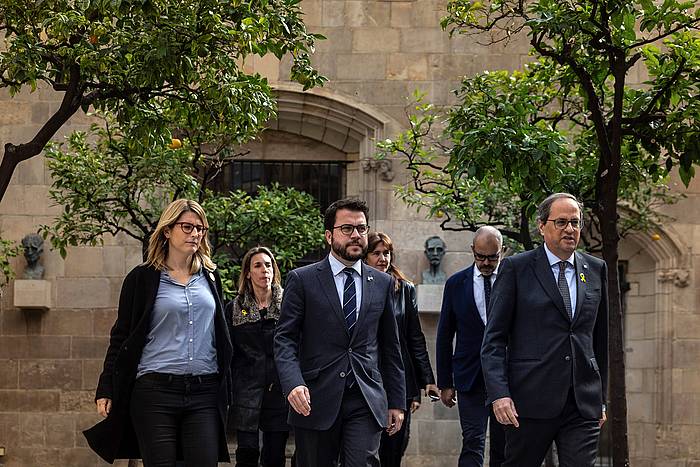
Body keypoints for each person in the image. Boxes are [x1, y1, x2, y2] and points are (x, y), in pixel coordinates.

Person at [83, 199, 233, 466]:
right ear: (167, 230)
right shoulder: (141, 278)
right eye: (187, 227)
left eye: (200, 229)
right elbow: (121, 337)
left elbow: (221, 335)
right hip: (155, 393)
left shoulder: (211, 277)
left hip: (204, 391)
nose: (195, 234)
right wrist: (106, 385)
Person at [274, 198, 406, 467]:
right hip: (315, 398)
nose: (356, 235)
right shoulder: (303, 279)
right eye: (347, 229)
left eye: (361, 228)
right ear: (328, 235)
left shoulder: (381, 282)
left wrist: (397, 401)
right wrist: (293, 383)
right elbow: (284, 339)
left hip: (365, 397)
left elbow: (391, 347)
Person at [481, 193, 609, 466]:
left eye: (575, 222)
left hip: (582, 402)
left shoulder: (596, 269)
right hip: (528, 401)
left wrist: (601, 398)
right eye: (561, 222)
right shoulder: (517, 268)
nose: (570, 229)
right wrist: (499, 394)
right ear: (541, 226)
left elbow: (600, 340)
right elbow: (493, 340)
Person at [365, 231, 438, 467]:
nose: (382, 258)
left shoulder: (404, 289)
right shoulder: (356, 286)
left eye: (386, 253)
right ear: (365, 257)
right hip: (366, 377)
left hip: (398, 380)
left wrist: (424, 381)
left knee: (394, 448)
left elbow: (414, 338)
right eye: (376, 253)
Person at [435, 226, 506, 467]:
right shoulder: (456, 283)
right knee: (472, 442)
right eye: (480, 256)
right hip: (469, 378)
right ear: (472, 251)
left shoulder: (512, 280)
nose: (486, 262)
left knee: (504, 445)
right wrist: (445, 383)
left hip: (507, 378)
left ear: (502, 252)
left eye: (492, 257)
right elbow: (445, 335)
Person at [228, 246, 289, 467]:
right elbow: (229, 351)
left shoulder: (289, 305)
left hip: (279, 392)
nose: (265, 270)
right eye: (258, 265)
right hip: (247, 392)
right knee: (246, 454)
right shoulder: (235, 308)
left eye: (268, 265)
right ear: (247, 272)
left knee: (275, 456)